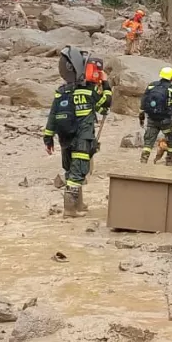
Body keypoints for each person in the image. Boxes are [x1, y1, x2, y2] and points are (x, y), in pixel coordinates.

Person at [44, 48, 110, 216]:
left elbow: (52, 115)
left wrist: (48, 138)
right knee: (79, 170)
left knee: (70, 170)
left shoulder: (61, 92)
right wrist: (106, 84)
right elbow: (106, 104)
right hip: (83, 136)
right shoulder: (89, 91)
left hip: (64, 137)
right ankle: (70, 209)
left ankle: (79, 204)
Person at [139, 67, 172, 165]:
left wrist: (142, 113)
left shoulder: (151, 86)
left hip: (152, 118)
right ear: (171, 77)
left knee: (148, 141)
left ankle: (143, 161)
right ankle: (169, 162)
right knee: (170, 140)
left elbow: (144, 100)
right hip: (165, 120)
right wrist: (170, 114)